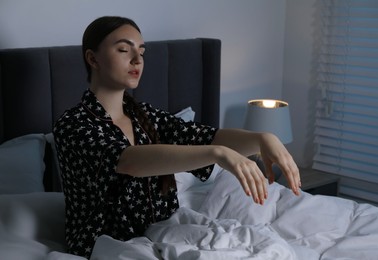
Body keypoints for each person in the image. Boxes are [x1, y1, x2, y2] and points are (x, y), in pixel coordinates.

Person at [53, 16, 301, 258]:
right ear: (92, 58)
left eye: (142, 51)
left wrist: (262, 138)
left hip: (162, 230)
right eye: (123, 50)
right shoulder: (73, 125)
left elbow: (206, 136)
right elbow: (128, 162)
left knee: (258, 244)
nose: (137, 59)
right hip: (107, 242)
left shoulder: (145, 115)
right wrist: (218, 154)